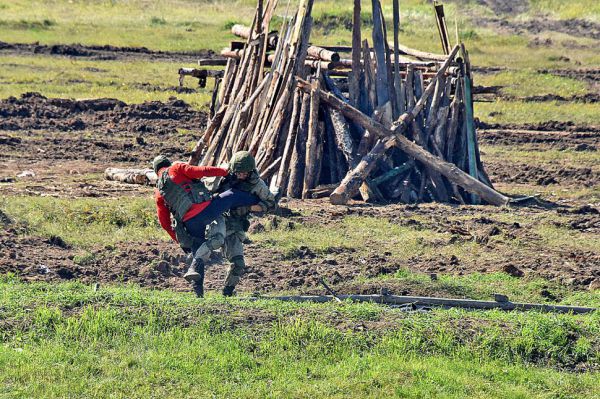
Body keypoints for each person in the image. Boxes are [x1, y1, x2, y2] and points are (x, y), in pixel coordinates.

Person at [152, 155, 260, 297]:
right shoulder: (176, 167)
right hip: (205, 211)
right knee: (232, 195)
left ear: (156, 171)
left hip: (190, 223)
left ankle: (199, 294)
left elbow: (165, 223)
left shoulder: (159, 192)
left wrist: (178, 240)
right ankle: (261, 199)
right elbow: (201, 171)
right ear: (168, 163)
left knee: (198, 255)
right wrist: (225, 172)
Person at [203, 151, 277, 296]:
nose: (240, 176)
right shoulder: (222, 174)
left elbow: (271, 204)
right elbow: (204, 190)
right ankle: (196, 285)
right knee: (201, 254)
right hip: (215, 221)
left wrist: (249, 208)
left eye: (243, 173)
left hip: (234, 226)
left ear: (250, 171)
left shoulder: (257, 185)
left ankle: (227, 293)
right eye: (237, 172)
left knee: (238, 264)